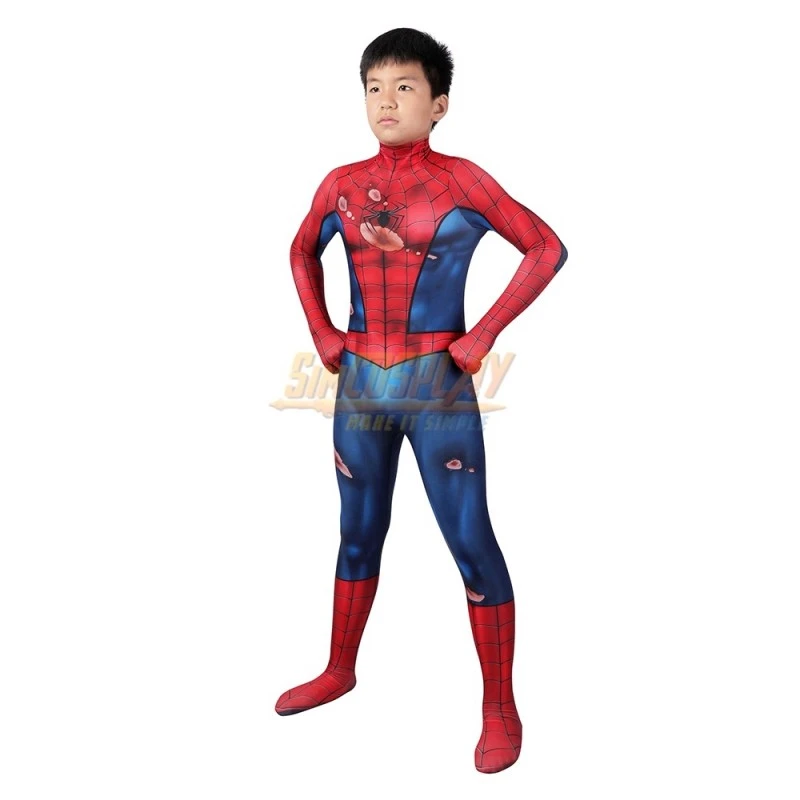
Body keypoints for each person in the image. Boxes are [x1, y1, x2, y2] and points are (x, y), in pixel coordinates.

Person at [275, 27, 568, 774]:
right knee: (355, 534)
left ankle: (499, 706)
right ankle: (339, 670)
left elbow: (546, 247)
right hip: (360, 386)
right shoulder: (340, 183)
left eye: (404, 87)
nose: (386, 101)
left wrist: (482, 337)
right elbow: (300, 250)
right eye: (373, 88)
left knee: (470, 541)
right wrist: (322, 332)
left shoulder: (463, 180)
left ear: (438, 104)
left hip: (437, 386)